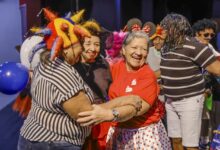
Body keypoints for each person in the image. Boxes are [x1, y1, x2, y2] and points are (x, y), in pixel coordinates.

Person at [17, 9, 142, 150]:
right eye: (78, 44)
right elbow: (87, 115)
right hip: (53, 144)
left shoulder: (48, 63)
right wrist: (126, 103)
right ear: (65, 47)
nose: (81, 49)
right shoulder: (61, 73)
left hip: (37, 140)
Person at [77, 31, 171, 150]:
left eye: (143, 49)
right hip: (118, 132)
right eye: (134, 47)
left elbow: (137, 109)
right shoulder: (114, 69)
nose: (139, 52)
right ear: (124, 50)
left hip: (143, 135)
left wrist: (109, 114)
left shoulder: (148, 76)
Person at [160, 13, 220, 150]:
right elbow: (168, 68)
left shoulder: (195, 47)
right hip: (170, 100)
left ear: (177, 29)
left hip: (190, 100)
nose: (162, 31)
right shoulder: (166, 47)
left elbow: (217, 69)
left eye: (166, 28)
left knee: (190, 145)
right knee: (175, 140)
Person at [192, 18, 220, 149]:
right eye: (206, 34)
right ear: (197, 33)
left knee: (205, 117)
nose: (209, 37)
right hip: (189, 91)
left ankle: (203, 142)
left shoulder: (209, 47)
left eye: (212, 35)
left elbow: (217, 59)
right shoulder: (190, 46)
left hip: (204, 89)